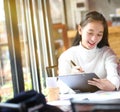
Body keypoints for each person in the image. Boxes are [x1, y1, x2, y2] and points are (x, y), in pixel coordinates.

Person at [58, 11, 120, 91]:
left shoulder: (107, 53)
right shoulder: (67, 56)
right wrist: (72, 78)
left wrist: (113, 85)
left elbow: (114, 78)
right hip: (78, 101)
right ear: (80, 29)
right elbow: (61, 86)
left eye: (99, 34)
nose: (94, 39)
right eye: (90, 33)